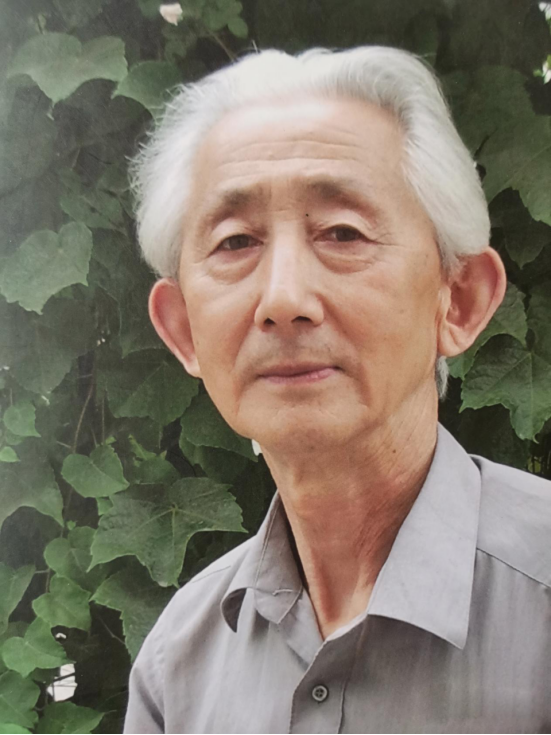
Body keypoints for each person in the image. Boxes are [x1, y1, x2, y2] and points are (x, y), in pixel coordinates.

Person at [122, 46, 551, 734]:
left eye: (343, 232)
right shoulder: (179, 665)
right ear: (183, 331)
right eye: (235, 242)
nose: (283, 298)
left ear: (459, 299)